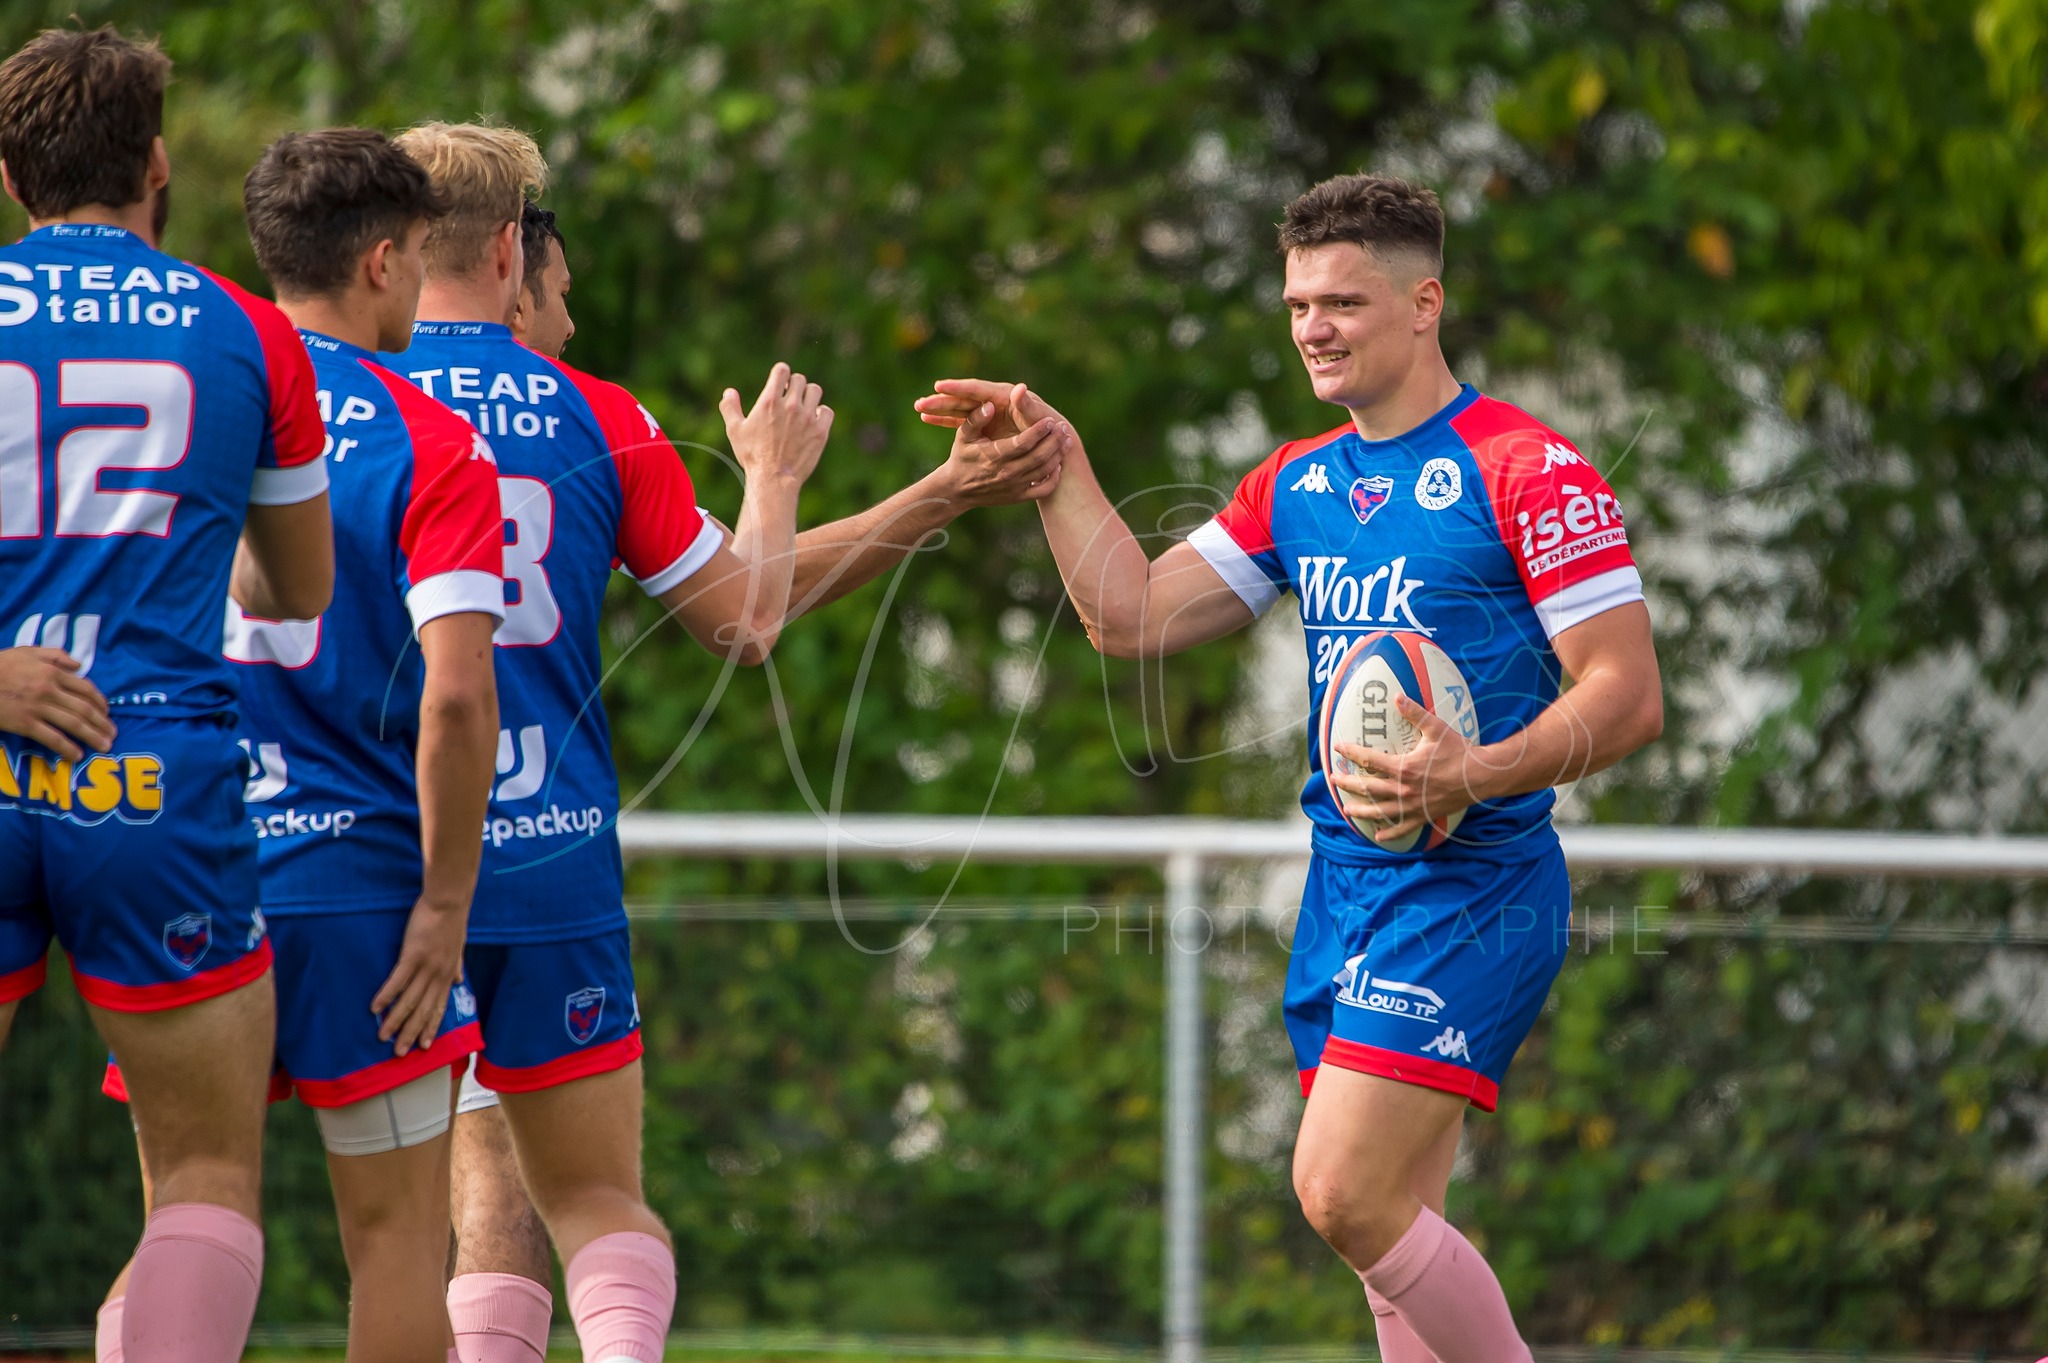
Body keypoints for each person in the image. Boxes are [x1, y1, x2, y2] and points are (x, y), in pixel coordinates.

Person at [916, 173, 1663, 1363]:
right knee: (1393, 1241)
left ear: (1423, 304)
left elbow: (1625, 691)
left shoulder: (1528, 468)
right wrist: (1058, 468)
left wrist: (1470, 772)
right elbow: (1130, 614)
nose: (1313, 325)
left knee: (1342, 1194)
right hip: (1346, 891)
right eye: (1296, 302)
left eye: (1343, 302)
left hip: (1474, 889)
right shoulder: (1299, 484)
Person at [393, 124, 1069, 1363]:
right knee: (588, 1196)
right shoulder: (594, 417)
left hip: (365, 853)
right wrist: (771, 474)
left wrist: (934, 495)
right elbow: (745, 612)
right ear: (508, 252)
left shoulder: (317, 398)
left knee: (420, 1202)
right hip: (540, 853)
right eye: (563, 288)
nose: (572, 321)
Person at [0, 26, 332, 1363]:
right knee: (203, 1172)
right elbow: (293, 590)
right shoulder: (243, 328)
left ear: (12, 177)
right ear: (154, 163)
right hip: (155, 771)